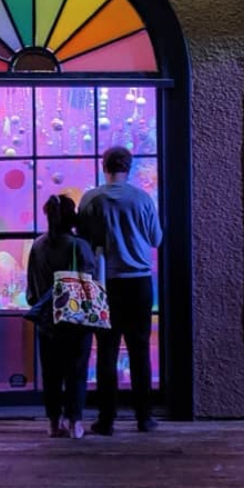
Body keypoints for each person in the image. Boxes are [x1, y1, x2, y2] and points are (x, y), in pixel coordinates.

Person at [78, 145, 163, 434]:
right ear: (129, 167)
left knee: (106, 351)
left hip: (105, 282)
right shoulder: (142, 199)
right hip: (139, 281)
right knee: (139, 350)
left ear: (105, 166)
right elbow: (156, 239)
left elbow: (84, 241)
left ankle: (106, 419)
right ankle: (144, 417)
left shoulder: (91, 199)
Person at [26, 192, 96, 439]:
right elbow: (90, 282)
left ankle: (54, 422)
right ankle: (75, 422)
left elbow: (31, 286)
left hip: (47, 320)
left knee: (51, 372)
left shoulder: (38, 245)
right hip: (76, 319)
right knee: (76, 371)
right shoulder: (80, 246)